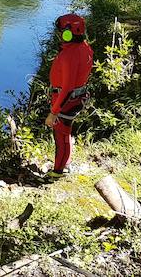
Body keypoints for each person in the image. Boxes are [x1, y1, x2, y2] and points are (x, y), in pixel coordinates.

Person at [45, 13, 93, 178]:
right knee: (66, 133)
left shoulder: (69, 55)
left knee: (60, 136)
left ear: (68, 32)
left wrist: (54, 112)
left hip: (65, 101)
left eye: (61, 32)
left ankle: (58, 171)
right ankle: (65, 164)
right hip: (76, 98)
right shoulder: (85, 47)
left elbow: (67, 88)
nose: (59, 35)